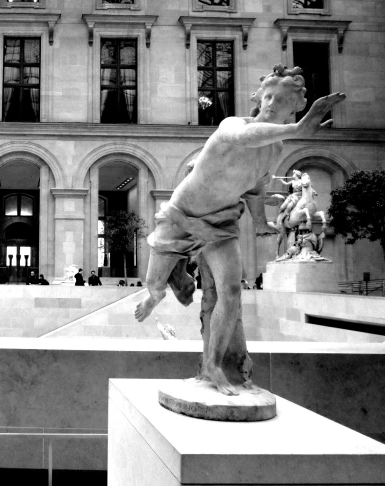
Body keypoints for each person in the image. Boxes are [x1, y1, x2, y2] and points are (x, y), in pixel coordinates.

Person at [134, 64, 344, 396]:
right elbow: (245, 139)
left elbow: (256, 189)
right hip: (183, 212)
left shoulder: (273, 149)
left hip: (221, 223)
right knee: (153, 283)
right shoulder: (234, 125)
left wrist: (261, 223)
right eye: (269, 97)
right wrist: (299, 128)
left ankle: (214, 364)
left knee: (231, 293)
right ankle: (164, 288)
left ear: (293, 108)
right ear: (259, 98)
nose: (272, 104)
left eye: (282, 101)